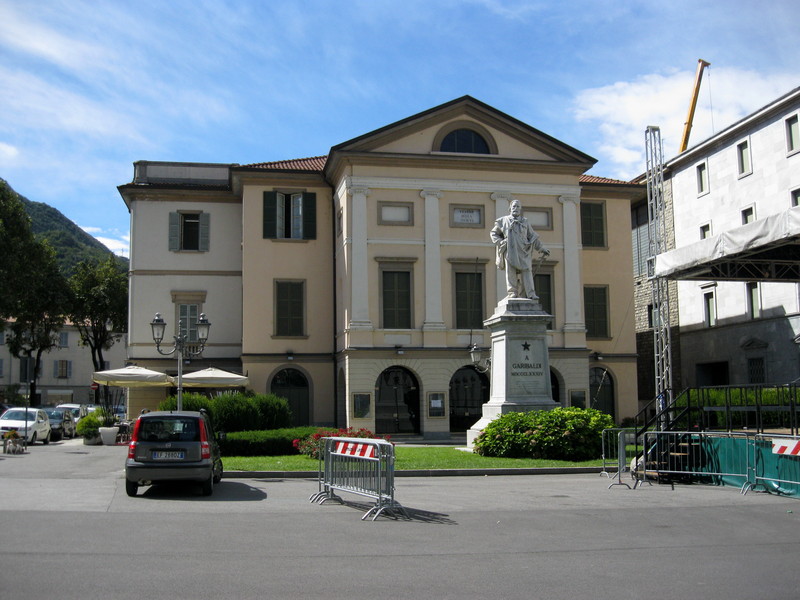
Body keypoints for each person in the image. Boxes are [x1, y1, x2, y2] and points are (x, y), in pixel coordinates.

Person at [490, 199, 550, 300]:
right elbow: (493, 233)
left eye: (518, 207)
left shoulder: (525, 222)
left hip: (524, 250)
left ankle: (531, 293)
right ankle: (512, 292)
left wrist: (541, 248)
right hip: (510, 250)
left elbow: (532, 237)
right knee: (511, 272)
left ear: (520, 209)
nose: (516, 208)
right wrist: (500, 242)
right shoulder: (503, 221)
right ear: (510, 209)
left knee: (527, 271)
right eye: (514, 206)